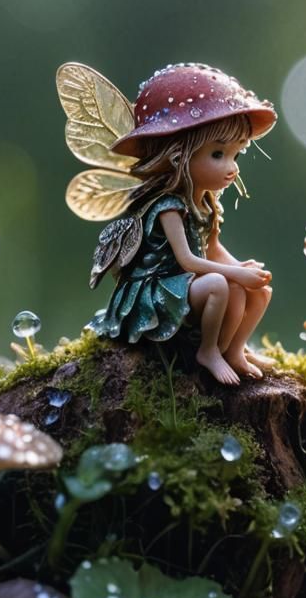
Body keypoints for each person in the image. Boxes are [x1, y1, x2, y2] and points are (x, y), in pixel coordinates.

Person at [58, 62, 276, 384]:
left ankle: (234, 350)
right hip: (157, 286)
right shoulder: (168, 206)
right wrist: (235, 273)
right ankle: (208, 351)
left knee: (256, 293)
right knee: (220, 285)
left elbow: (213, 249)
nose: (232, 168)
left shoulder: (205, 203)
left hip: (186, 282)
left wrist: (243, 270)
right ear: (178, 156)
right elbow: (186, 260)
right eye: (218, 154)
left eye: (236, 155)